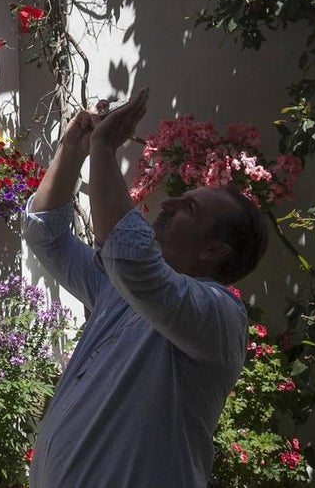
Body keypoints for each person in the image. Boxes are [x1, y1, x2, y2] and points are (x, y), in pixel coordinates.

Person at [24, 89, 268, 488]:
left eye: (188, 208)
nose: (168, 202)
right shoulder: (118, 289)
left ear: (214, 249)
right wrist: (73, 150)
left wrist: (104, 149)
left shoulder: (220, 315)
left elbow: (130, 256)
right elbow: (46, 236)